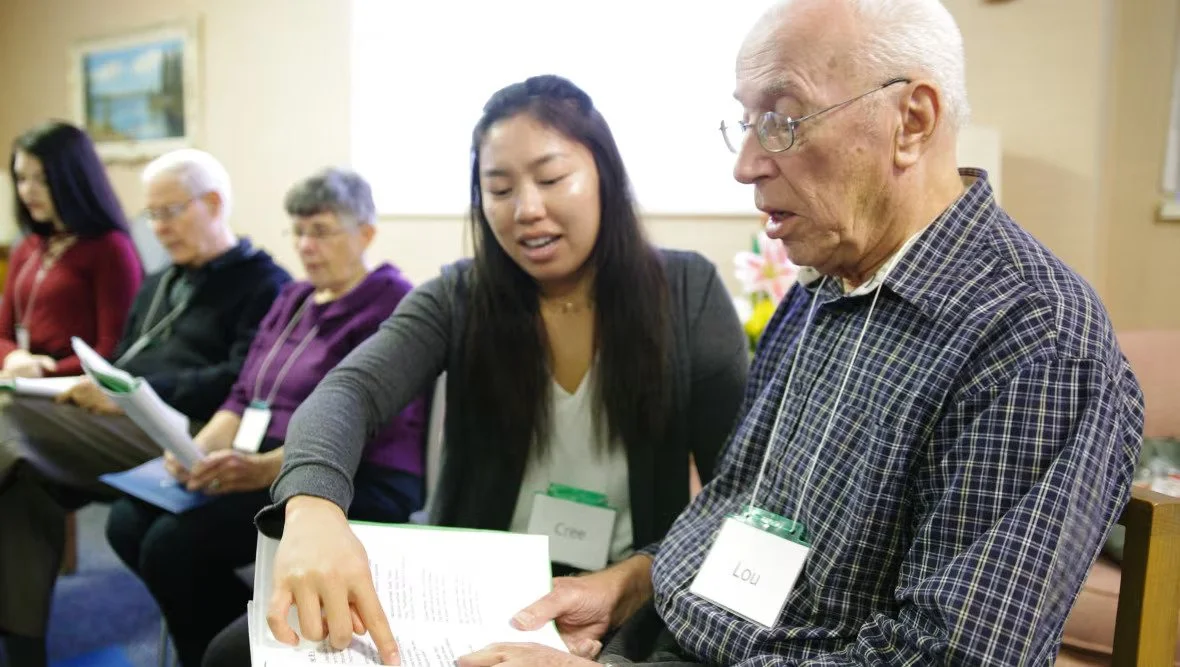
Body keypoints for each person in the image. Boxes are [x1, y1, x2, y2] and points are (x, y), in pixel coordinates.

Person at [452, 1, 1143, 665]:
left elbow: (944, 653)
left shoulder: (1035, 343)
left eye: (782, 120)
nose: (746, 164)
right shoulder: (821, 286)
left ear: (913, 120)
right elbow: (737, 506)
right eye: (744, 123)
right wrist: (635, 579)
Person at [238, 74, 748, 665]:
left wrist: (643, 573)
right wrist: (311, 503)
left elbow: (737, 485)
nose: (527, 210)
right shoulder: (459, 295)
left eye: (553, 178)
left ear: (604, 174)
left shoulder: (687, 292)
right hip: (470, 594)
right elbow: (351, 391)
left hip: (627, 594)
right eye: (498, 189)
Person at [104, 167, 428, 667]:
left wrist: (262, 468)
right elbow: (242, 394)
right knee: (126, 524)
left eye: (320, 231)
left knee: (173, 549)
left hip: (354, 476)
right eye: (297, 231)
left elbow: (365, 424)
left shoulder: (392, 303)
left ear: (365, 232)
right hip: (262, 462)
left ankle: (225, 651)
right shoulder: (294, 297)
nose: (306, 245)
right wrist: (196, 447)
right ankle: (239, 636)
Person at [0, 148, 291, 667]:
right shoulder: (162, 281)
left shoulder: (264, 283)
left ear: (214, 203)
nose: (158, 228)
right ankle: (22, 649)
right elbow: (122, 354)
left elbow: (238, 381)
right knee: (24, 485)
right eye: (151, 215)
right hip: (122, 422)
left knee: (7, 419)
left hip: (193, 431)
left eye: (171, 211)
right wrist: (104, 381)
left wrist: (135, 389)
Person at [0, 120, 143, 379]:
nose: (27, 191)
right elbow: (3, 334)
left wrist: (44, 371)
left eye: (42, 179)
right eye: (21, 178)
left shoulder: (111, 248)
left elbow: (113, 350)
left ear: (72, 178)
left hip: (75, 388)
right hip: (24, 383)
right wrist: (13, 357)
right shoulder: (26, 247)